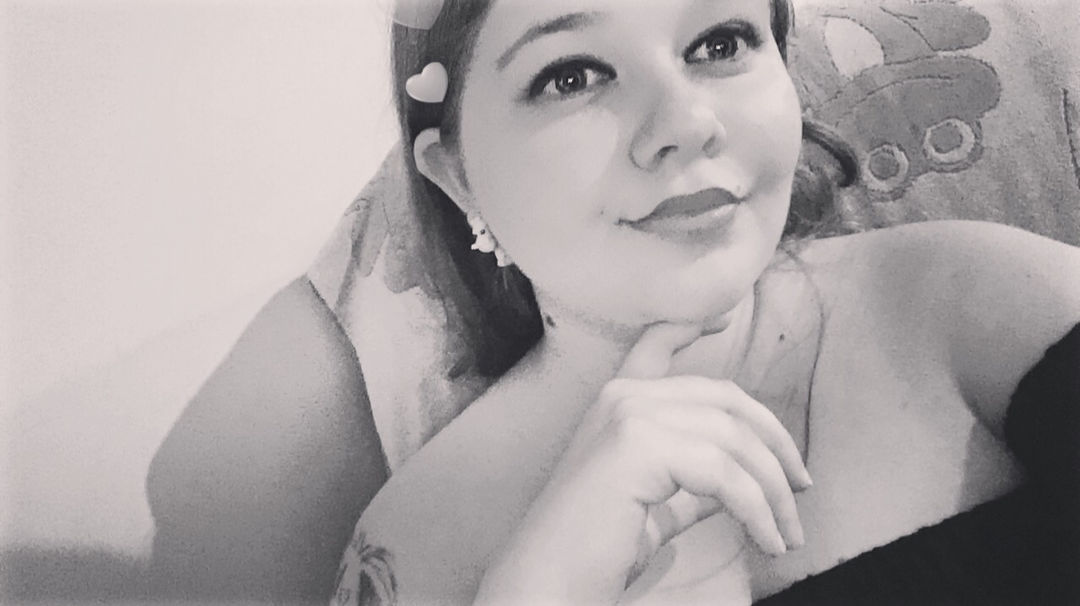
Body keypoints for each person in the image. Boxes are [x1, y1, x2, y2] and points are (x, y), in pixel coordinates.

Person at [147, 0, 1079, 604]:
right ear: (456, 176)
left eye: (720, 43)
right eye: (571, 75)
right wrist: (540, 583)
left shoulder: (981, 305)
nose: (685, 123)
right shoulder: (419, 543)